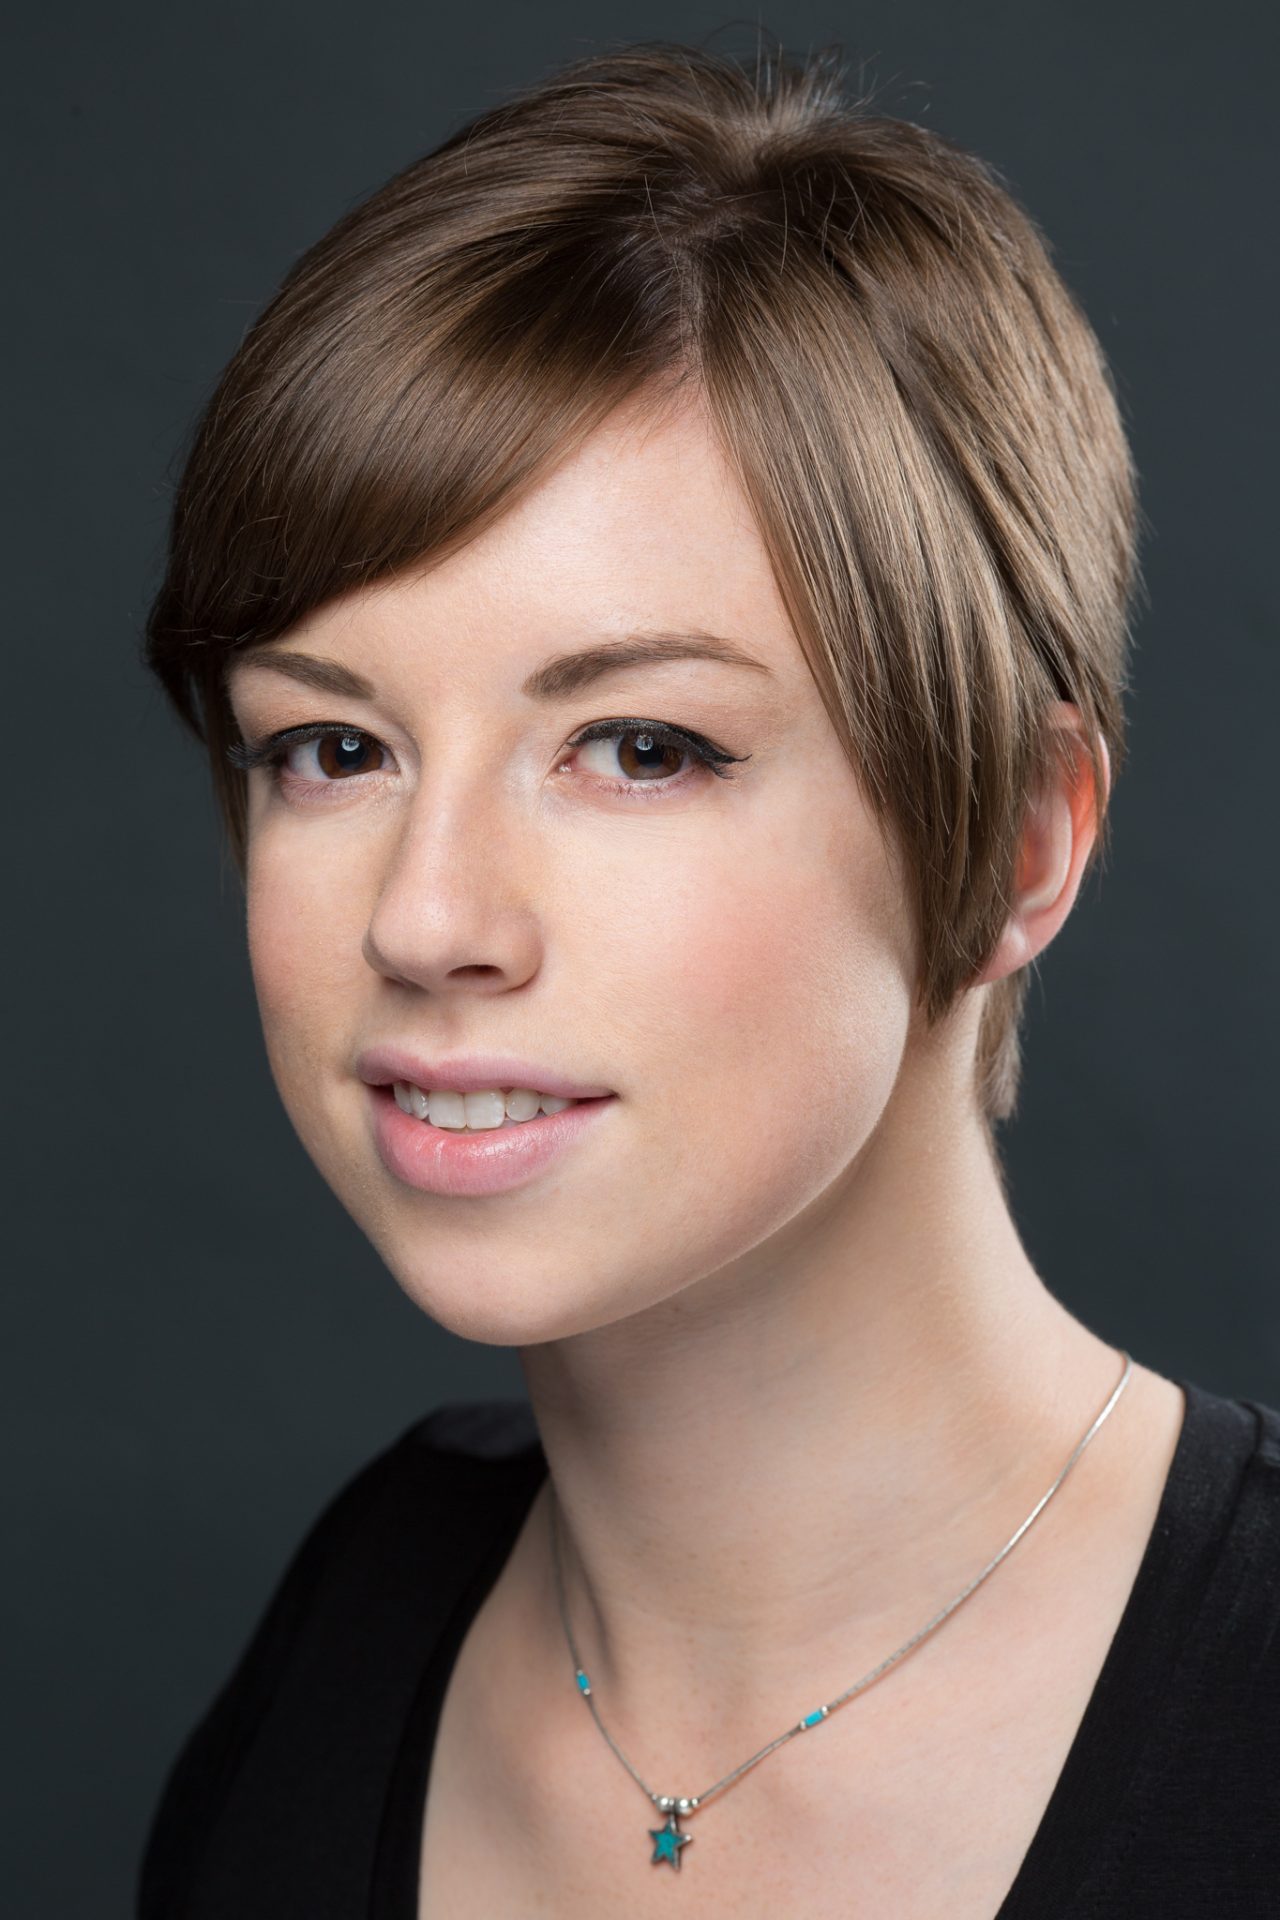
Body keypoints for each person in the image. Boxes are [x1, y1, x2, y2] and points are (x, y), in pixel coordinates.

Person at [135, 37, 1279, 1920]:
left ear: (1020, 841)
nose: (426, 923)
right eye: (332, 748)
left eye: (641, 748)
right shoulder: (362, 1622)